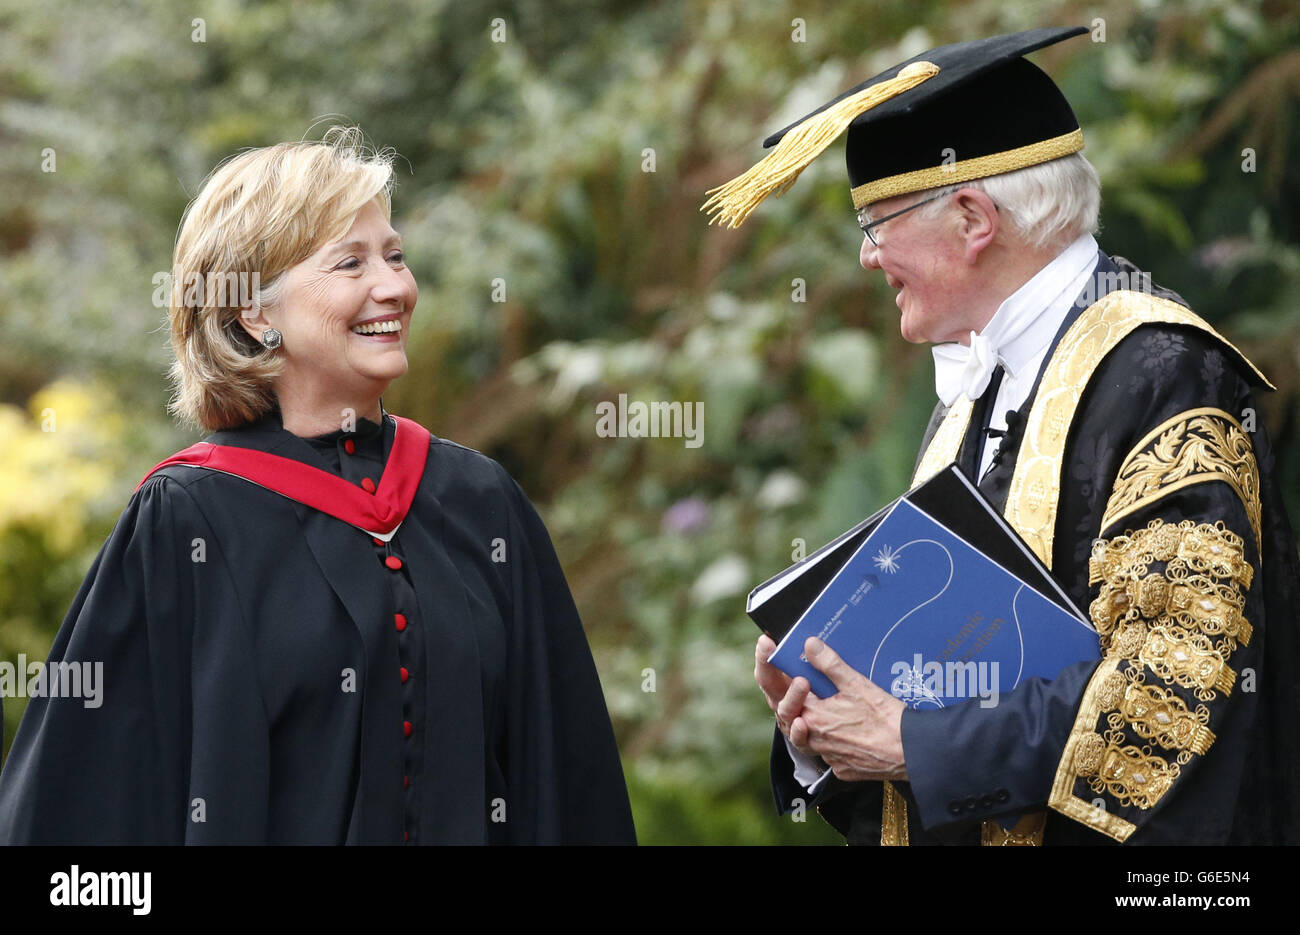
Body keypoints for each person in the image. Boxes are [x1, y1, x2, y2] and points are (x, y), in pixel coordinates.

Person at [705, 26, 1299, 844]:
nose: (871, 259)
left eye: (876, 225)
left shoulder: (1165, 378)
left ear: (973, 218)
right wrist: (831, 711)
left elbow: (1172, 687)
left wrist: (912, 740)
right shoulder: (980, 391)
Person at [0, 127, 637, 845]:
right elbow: (81, 809)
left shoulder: (477, 500)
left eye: (395, 255)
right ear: (254, 312)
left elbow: (568, 782)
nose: (394, 285)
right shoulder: (189, 520)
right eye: (350, 263)